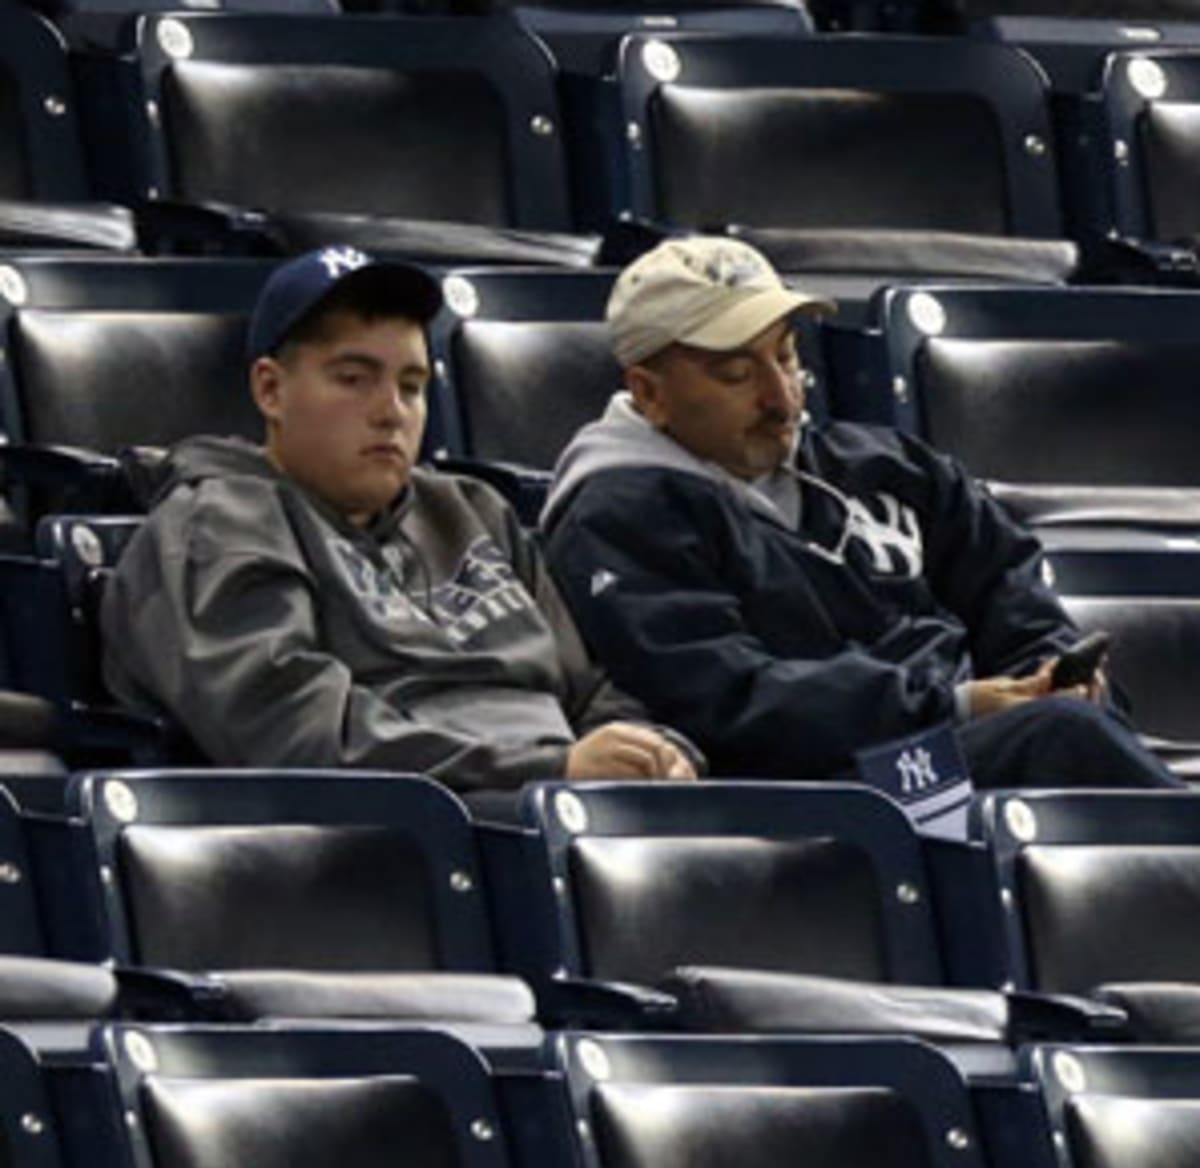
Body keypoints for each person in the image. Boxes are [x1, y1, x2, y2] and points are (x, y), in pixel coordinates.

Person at [540, 236, 1183, 805]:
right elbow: (726, 699)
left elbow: (1007, 585)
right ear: (649, 393)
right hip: (828, 799)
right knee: (1061, 739)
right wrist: (956, 707)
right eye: (736, 374)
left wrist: (1052, 674)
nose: (781, 398)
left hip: (967, 747)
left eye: (786, 357)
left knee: (1069, 723)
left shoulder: (887, 465)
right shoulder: (618, 515)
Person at [101, 246, 697, 813]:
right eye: (353, 379)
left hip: (547, 800)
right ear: (271, 390)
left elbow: (587, 688)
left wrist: (653, 752)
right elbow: (298, 735)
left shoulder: (472, 509)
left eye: (411, 387)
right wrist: (545, 769)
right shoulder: (222, 523)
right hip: (416, 830)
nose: (391, 411)